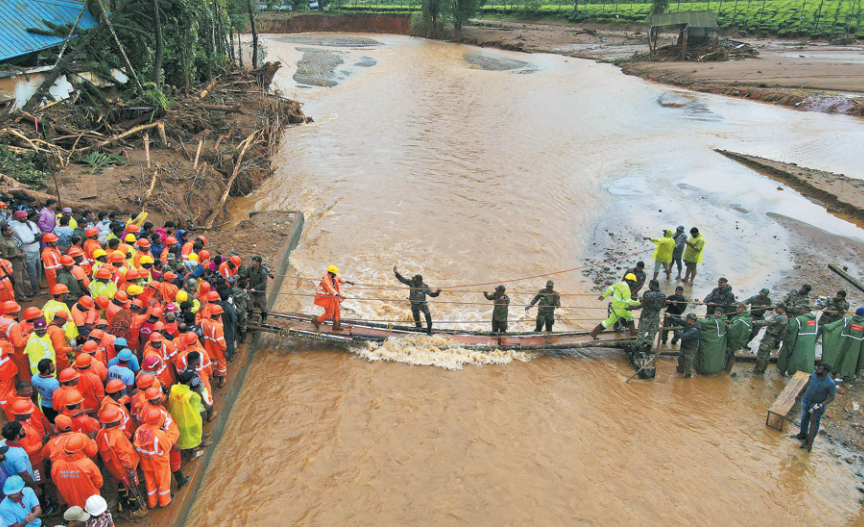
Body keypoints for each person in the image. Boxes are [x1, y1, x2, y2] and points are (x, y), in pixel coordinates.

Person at [96, 406, 139, 513]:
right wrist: (131, 470)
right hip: (124, 467)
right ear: (111, 423)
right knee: (133, 485)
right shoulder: (117, 436)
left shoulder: (101, 433)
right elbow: (124, 456)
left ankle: (122, 504)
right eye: (117, 419)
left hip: (113, 467)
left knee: (121, 482)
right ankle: (135, 510)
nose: (120, 420)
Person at [134, 408, 175, 509]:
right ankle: (164, 501)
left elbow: (136, 446)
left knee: (150, 483)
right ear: (158, 420)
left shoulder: (138, 431)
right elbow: (168, 447)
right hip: (160, 464)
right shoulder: (159, 434)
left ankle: (152, 502)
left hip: (145, 463)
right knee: (163, 483)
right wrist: (166, 434)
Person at [791, 362, 836, 451]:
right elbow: (807, 384)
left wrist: (822, 404)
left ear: (825, 371)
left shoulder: (830, 383)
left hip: (817, 405)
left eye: (820, 369)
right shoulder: (813, 374)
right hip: (807, 400)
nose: (817, 369)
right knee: (804, 418)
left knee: (814, 424)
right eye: (817, 367)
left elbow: (831, 397)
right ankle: (802, 434)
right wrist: (799, 394)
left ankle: (809, 441)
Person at [51, 435, 103, 508]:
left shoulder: (56, 465)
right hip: (91, 502)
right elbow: (98, 483)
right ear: (81, 449)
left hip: (71, 503)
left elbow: (56, 481)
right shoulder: (87, 464)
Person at [168, 371, 209, 451]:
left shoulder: (173, 389)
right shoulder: (190, 395)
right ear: (188, 382)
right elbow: (197, 401)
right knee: (193, 431)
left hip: (176, 417)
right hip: (189, 418)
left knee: (184, 434)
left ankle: (198, 442)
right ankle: (195, 448)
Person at [393, 266, 441, 335]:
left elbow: (431, 294)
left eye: (416, 280)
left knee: (428, 315)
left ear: (419, 281)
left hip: (422, 304)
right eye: (414, 279)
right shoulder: (411, 282)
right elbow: (402, 280)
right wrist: (396, 273)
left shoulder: (424, 287)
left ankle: (429, 332)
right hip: (414, 304)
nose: (414, 280)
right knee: (417, 319)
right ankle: (419, 330)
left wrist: (437, 293)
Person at [589, 274, 640, 339]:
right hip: (621, 309)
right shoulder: (626, 289)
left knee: (628, 317)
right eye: (633, 282)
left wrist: (604, 295)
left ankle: (593, 333)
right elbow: (629, 301)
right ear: (630, 281)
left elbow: (610, 288)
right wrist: (640, 303)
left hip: (615, 306)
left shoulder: (620, 283)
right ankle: (593, 333)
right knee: (613, 321)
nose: (633, 283)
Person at [821, 307, 864, 380]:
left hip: (842, 345)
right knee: (851, 360)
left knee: (838, 357)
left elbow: (831, 327)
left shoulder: (847, 321)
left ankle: (834, 371)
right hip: (855, 347)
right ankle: (847, 375)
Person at [777, 305, 819, 376]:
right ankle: (805, 373)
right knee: (806, 359)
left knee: (787, 354)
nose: (799, 311)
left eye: (801, 309)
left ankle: (785, 371)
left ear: (805, 310)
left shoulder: (799, 319)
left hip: (797, 342)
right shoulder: (814, 320)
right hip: (808, 344)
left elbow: (791, 330)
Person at [8, 211, 42, 296]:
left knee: (39, 269)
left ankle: (39, 285)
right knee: (32, 272)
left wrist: (36, 236)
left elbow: (35, 233)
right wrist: (37, 238)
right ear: (18, 218)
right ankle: (34, 290)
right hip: (28, 251)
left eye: (26, 216)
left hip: (36, 249)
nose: (25, 218)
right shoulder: (15, 227)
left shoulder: (28, 223)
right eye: (23, 217)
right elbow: (25, 241)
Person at [312, 265, 354, 332]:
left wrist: (348, 282)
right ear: (331, 273)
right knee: (329, 313)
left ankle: (336, 325)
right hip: (326, 298)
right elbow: (331, 289)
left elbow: (340, 279)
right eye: (334, 274)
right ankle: (317, 321)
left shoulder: (333, 276)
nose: (335, 275)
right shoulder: (326, 281)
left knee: (337, 311)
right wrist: (340, 296)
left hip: (333, 297)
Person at [0, 223, 32, 300]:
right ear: (4, 232)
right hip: (14, 265)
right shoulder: (3, 242)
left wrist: (22, 253)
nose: (12, 231)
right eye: (9, 230)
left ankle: (29, 293)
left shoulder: (13, 238)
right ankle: (21, 296)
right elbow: (4, 257)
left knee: (26, 278)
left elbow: (18, 248)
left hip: (21, 262)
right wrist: (17, 255)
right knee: (19, 281)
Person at [753, 303, 788, 374]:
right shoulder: (785, 317)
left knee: (762, 354)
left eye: (777, 308)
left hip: (769, 337)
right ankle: (762, 369)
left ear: (781, 309)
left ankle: (758, 370)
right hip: (774, 338)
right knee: (767, 354)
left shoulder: (780, 318)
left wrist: (755, 322)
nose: (775, 309)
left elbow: (767, 322)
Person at [631, 279, 666, 348]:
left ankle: (637, 348)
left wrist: (630, 308)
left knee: (641, 332)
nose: (649, 286)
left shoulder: (648, 294)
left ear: (653, 285)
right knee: (652, 333)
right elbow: (664, 305)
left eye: (650, 285)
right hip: (656, 317)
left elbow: (641, 305)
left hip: (646, 316)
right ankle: (648, 347)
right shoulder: (663, 295)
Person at [201, 306, 227, 387]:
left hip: (207, 347)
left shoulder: (203, 322)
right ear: (217, 315)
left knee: (211, 362)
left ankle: (214, 373)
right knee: (221, 364)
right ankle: (221, 380)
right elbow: (221, 341)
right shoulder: (217, 326)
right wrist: (224, 351)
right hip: (217, 349)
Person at [670, 313, 701, 378]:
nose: (686, 320)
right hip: (684, 348)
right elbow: (680, 321)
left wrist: (678, 331)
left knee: (688, 365)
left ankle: (687, 378)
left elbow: (684, 336)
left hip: (690, 350)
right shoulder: (688, 324)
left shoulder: (694, 330)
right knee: (680, 361)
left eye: (687, 319)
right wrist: (670, 316)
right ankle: (679, 375)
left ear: (692, 320)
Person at [724, 303, 752, 372]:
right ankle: (726, 369)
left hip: (736, 340)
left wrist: (726, 325)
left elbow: (732, 328)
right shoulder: (746, 317)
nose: (736, 309)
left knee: (729, 354)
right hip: (741, 339)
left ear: (742, 309)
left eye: (738, 308)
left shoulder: (741, 320)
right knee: (731, 354)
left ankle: (726, 370)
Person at [243, 256, 272, 324]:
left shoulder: (263, 272)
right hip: (251, 291)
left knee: (263, 305)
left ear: (258, 263)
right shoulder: (250, 268)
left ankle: (264, 318)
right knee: (249, 303)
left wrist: (255, 288)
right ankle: (250, 315)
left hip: (260, 292)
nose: (252, 262)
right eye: (252, 261)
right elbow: (246, 276)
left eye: (254, 261)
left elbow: (263, 283)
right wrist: (240, 277)